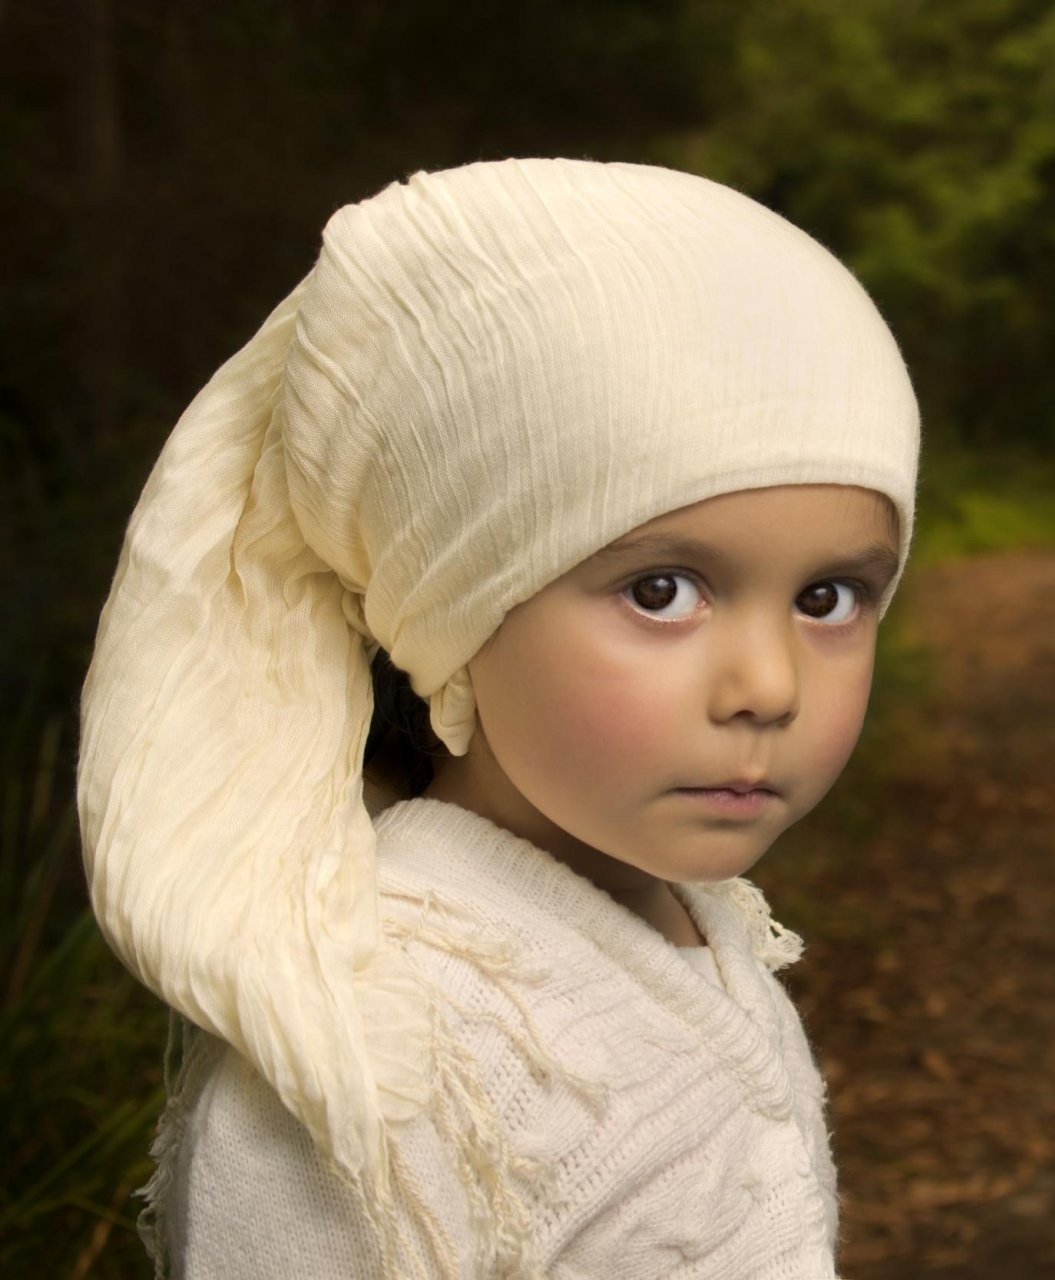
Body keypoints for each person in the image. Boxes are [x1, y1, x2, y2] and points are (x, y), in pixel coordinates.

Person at [75, 157, 920, 1278]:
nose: (768, 683)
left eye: (829, 597)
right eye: (661, 590)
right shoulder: (382, 1045)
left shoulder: (687, 916)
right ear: (453, 601)